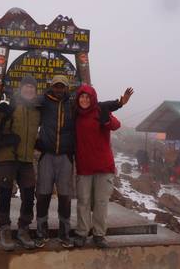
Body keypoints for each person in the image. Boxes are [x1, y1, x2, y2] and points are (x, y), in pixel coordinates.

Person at [73, 84, 133, 248]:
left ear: (92, 98)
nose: (84, 100)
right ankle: (82, 232)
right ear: (78, 99)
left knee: (101, 202)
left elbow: (116, 125)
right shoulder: (75, 115)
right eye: (81, 97)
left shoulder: (100, 111)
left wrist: (106, 119)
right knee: (83, 201)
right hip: (84, 166)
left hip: (103, 166)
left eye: (87, 97)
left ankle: (99, 235)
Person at [0, 74, 41, 251]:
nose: (29, 89)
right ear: (21, 88)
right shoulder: (9, 103)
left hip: (26, 159)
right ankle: (5, 228)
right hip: (6, 157)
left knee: (28, 194)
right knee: (5, 194)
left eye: (32, 87)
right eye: (26, 86)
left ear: (35, 90)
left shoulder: (36, 110)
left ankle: (23, 228)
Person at [34, 75, 75, 248]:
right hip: (47, 156)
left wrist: (118, 104)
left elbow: (96, 107)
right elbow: (24, 99)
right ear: (51, 87)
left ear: (66, 88)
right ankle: (41, 233)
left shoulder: (72, 104)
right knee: (43, 195)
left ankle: (64, 234)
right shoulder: (43, 101)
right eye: (56, 86)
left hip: (65, 157)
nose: (59, 89)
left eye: (62, 86)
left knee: (65, 197)